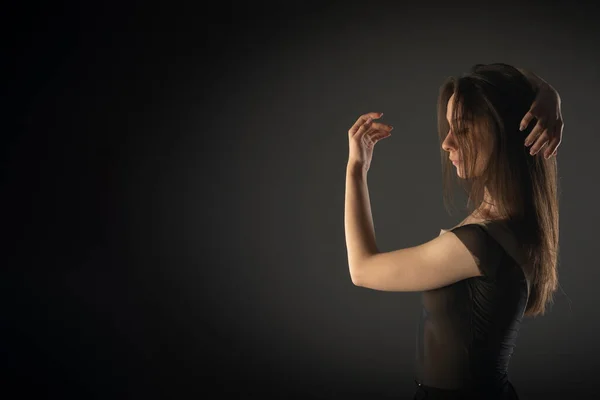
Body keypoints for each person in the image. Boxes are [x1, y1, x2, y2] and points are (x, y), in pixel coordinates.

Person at [344, 63, 563, 399]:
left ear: (502, 129)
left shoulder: (478, 243)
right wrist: (548, 92)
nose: (446, 143)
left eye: (461, 129)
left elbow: (362, 269)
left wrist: (357, 169)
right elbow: (510, 92)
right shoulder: (518, 221)